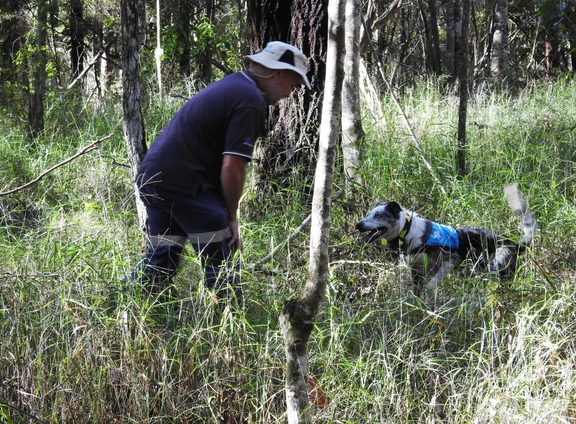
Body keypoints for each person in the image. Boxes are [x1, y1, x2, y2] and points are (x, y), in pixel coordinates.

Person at [125, 41, 311, 304]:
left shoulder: (236, 84)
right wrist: (231, 217)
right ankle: (232, 330)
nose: (290, 93)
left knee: (162, 258)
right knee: (221, 261)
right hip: (185, 186)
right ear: (278, 73)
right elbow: (233, 166)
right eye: (293, 84)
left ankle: (120, 305)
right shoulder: (250, 100)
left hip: (155, 179)